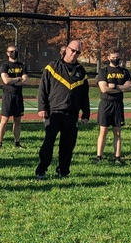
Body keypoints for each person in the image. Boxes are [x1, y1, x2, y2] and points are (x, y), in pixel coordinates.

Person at [35, 39, 90, 179]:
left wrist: (86, 113)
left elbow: (84, 95)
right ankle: (41, 170)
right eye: (73, 50)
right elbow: (43, 89)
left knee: (68, 145)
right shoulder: (52, 67)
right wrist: (42, 107)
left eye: (78, 52)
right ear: (66, 49)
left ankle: (63, 171)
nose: (74, 54)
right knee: (48, 142)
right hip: (53, 112)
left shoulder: (81, 72)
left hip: (72, 114)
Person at [95, 51, 131, 163]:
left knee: (117, 132)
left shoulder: (124, 71)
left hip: (118, 104)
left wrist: (116, 86)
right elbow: (104, 89)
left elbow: (130, 88)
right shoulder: (103, 71)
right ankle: (99, 157)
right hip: (105, 104)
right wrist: (122, 88)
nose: (115, 59)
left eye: (117, 57)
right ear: (108, 57)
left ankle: (117, 157)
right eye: (113, 57)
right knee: (103, 131)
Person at [0, 45, 28, 149]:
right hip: (8, 96)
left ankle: (17, 142)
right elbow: (5, 81)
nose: (14, 53)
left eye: (16, 51)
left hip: (18, 96)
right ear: (7, 53)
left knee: (18, 121)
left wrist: (13, 81)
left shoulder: (22, 66)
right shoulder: (4, 66)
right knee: (4, 120)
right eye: (12, 51)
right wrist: (18, 79)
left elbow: (25, 81)